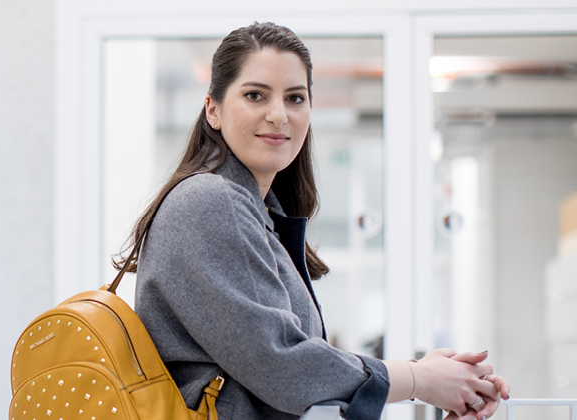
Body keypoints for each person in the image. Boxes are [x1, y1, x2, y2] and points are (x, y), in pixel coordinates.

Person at [116, 22, 511, 420]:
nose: (278, 115)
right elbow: (284, 366)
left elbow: (288, 367)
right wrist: (419, 379)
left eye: (295, 98)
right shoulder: (211, 201)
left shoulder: (257, 210)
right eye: (255, 95)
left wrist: (438, 379)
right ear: (213, 110)